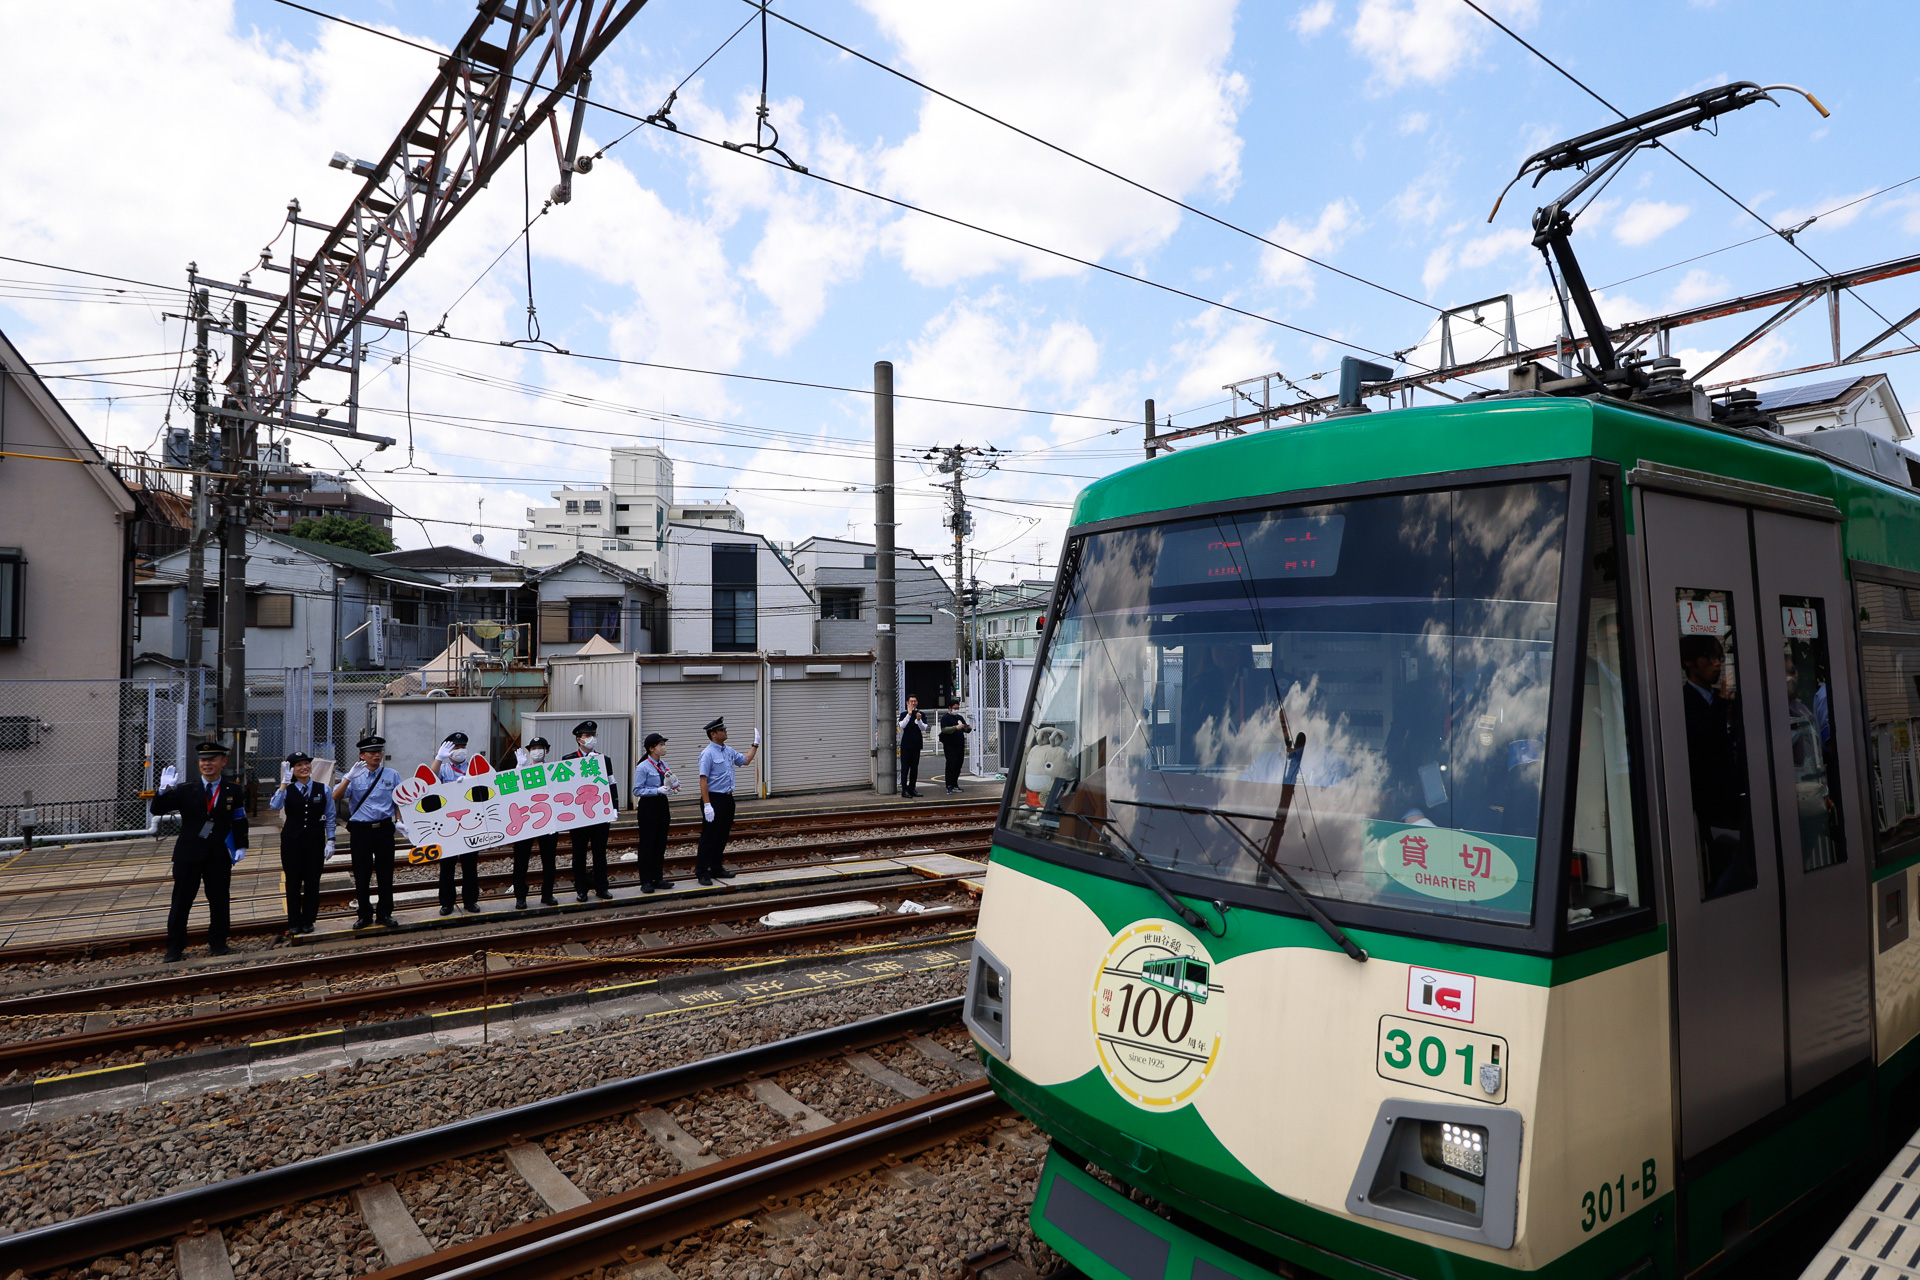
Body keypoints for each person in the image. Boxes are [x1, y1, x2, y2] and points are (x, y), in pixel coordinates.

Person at [151, 740, 250, 962]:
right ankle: (175, 947)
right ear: (198, 763)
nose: (207, 764)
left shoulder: (233, 789)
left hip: (218, 854)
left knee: (219, 900)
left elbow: (239, 818)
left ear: (222, 762)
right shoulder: (185, 789)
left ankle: (218, 943)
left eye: (212, 759)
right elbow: (157, 809)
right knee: (181, 901)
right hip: (189, 854)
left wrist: (242, 844)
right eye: (203, 760)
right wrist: (163, 790)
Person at [1679, 632, 1756, 897]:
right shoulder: (1685, 702)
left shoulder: (1722, 699)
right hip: (1711, 802)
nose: (1717, 664)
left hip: (1737, 795)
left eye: (1720, 658)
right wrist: (1723, 710)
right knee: (1723, 865)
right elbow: (1702, 745)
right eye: (1710, 658)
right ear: (1690, 662)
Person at [334, 734, 402, 929]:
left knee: (385, 873)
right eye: (372, 752)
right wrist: (347, 778)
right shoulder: (354, 776)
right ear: (362, 755)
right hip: (361, 830)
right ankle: (364, 914)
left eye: (379, 751)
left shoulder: (392, 775)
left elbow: (398, 801)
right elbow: (335, 796)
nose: (376, 755)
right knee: (362, 874)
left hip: (384, 829)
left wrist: (399, 821)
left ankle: (385, 913)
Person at [270, 750, 333, 935]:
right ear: (292, 770)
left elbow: (330, 816)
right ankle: (294, 921)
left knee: (313, 882)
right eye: (299, 765)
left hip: (314, 841)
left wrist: (331, 840)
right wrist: (283, 783)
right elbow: (274, 806)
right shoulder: (287, 790)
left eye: (306, 764)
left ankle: (309, 920)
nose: (304, 767)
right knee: (293, 882)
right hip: (292, 842)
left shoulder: (324, 789)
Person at [696, 716, 759, 885]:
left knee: (722, 835)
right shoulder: (707, 753)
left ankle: (716, 867)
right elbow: (703, 780)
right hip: (714, 799)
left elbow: (745, 761)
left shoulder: (728, 750)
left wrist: (755, 745)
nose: (725, 732)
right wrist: (707, 804)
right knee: (709, 836)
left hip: (727, 798)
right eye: (722, 730)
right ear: (713, 734)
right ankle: (702, 871)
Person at [563, 720, 617, 902]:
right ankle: (581, 889)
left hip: (600, 814)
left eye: (594, 735)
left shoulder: (604, 759)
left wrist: (614, 807)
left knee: (599, 853)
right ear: (579, 739)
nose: (592, 739)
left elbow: (611, 784)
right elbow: (564, 788)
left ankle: (602, 888)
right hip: (579, 816)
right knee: (579, 854)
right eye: (587, 736)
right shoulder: (569, 760)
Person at [430, 731, 483, 917]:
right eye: (456, 747)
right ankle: (447, 903)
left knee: (470, 865)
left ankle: (470, 901)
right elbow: (427, 781)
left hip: (471, 823)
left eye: (463, 747)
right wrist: (438, 759)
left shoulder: (474, 767)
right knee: (447, 866)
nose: (460, 750)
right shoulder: (443, 769)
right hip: (448, 825)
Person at [510, 736, 560, 909]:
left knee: (549, 859)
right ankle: (520, 897)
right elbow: (511, 795)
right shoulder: (523, 769)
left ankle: (547, 894)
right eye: (533, 748)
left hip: (548, 821)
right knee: (521, 860)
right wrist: (518, 769)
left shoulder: (555, 770)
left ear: (547, 750)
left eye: (540, 747)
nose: (536, 751)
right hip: (526, 821)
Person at [632, 732, 678, 893]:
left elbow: (668, 780)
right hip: (648, 806)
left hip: (662, 805)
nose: (663, 747)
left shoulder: (663, 764)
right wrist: (657, 790)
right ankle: (646, 881)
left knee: (660, 843)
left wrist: (672, 787)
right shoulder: (643, 766)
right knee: (647, 844)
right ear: (651, 748)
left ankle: (658, 878)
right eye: (660, 744)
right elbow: (637, 790)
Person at [938, 698, 972, 795]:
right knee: (951, 764)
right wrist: (955, 728)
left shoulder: (959, 717)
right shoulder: (946, 718)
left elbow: (965, 729)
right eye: (954, 708)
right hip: (950, 745)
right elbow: (944, 729)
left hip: (960, 744)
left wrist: (968, 728)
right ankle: (949, 785)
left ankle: (955, 783)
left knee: (958, 764)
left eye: (957, 708)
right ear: (950, 708)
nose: (956, 710)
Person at [897, 697, 927, 797]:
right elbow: (902, 725)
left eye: (915, 701)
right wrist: (909, 715)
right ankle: (904, 790)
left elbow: (924, 728)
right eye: (911, 701)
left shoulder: (921, 714)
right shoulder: (903, 714)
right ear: (907, 703)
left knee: (914, 768)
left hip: (916, 744)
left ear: (917, 702)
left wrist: (919, 720)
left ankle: (912, 788)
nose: (913, 703)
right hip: (906, 745)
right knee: (905, 768)